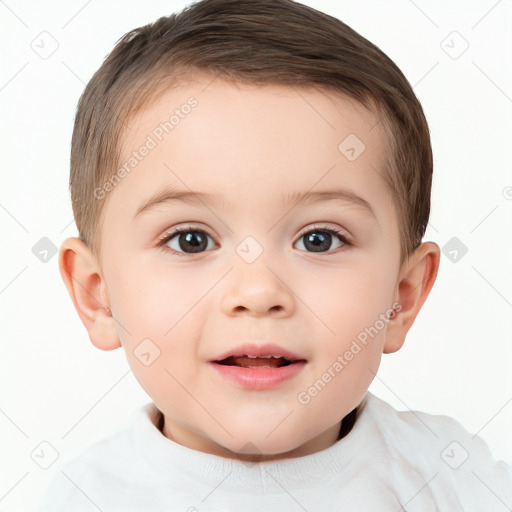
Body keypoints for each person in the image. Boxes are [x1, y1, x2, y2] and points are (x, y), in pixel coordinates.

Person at [42, 0, 512, 510]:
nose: (258, 292)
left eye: (319, 239)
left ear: (402, 298)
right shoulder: (85, 498)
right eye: (191, 240)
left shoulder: (456, 481)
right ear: (98, 295)